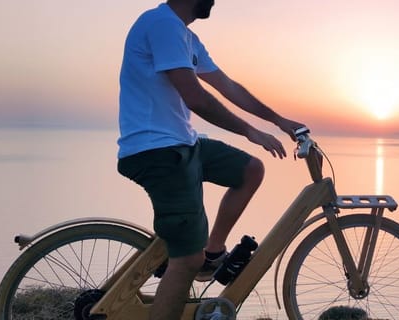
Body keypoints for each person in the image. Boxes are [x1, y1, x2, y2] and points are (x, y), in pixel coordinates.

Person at [115, 0, 304, 319]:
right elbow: (195, 97)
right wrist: (248, 131)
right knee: (185, 260)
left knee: (250, 170)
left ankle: (212, 253)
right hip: (157, 151)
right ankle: (194, 261)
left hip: (182, 144)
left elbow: (228, 87)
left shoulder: (186, 36)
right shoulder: (162, 25)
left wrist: (278, 120)